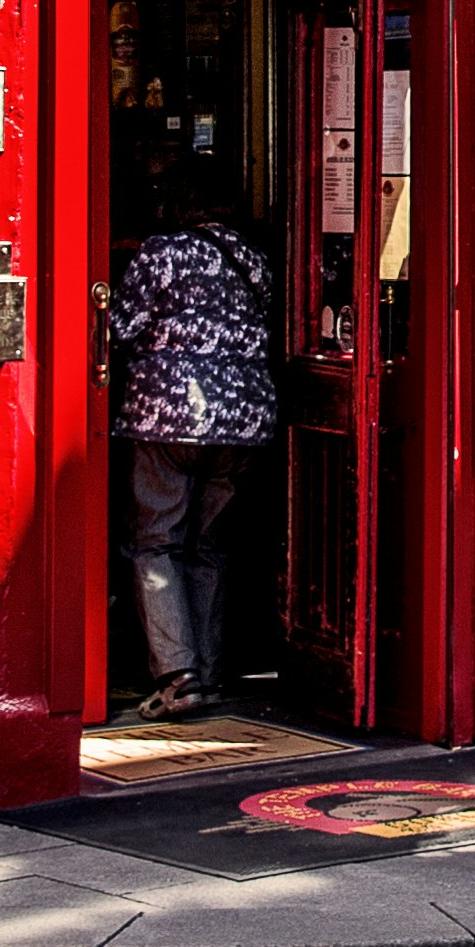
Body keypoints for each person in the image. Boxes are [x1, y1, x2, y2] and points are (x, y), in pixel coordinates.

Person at [103, 164, 277, 724]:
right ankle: (209, 669)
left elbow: (119, 327)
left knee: (156, 541)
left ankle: (177, 675)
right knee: (209, 545)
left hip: (168, 415)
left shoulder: (163, 252)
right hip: (244, 418)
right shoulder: (251, 257)